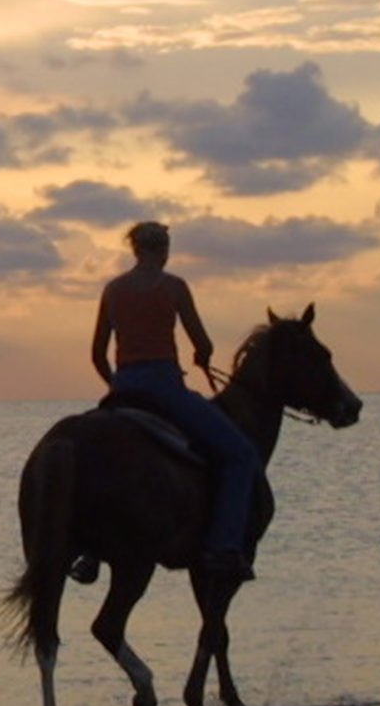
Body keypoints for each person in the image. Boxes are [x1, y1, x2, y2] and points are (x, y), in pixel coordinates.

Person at [87, 221, 260, 582]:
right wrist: (202, 356)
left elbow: (98, 354)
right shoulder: (174, 287)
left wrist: (116, 384)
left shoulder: (113, 290)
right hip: (164, 385)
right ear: (164, 250)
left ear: (135, 250)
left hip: (124, 386)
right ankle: (223, 547)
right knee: (240, 455)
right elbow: (203, 344)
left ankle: (90, 552)